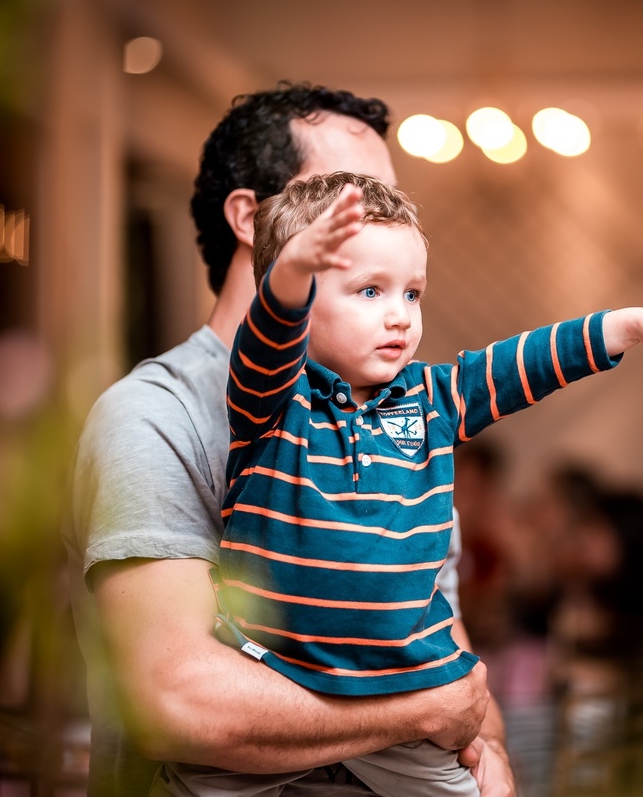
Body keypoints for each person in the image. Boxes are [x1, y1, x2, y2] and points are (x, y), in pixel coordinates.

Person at [186, 173, 643, 795]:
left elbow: (518, 364)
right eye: (370, 290)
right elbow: (268, 336)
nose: (400, 315)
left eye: (413, 294)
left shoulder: (432, 398)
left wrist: (625, 326)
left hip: (403, 690)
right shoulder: (274, 402)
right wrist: (291, 273)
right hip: (276, 686)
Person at [64, 82, 509, 797]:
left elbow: (454, 671)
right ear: (250, 217)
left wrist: (492, 753)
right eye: (350, 196)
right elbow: (175, 700)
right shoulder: (154, 417)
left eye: (387, 200)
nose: (381, 224)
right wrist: (418, 712)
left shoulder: (400, 407)